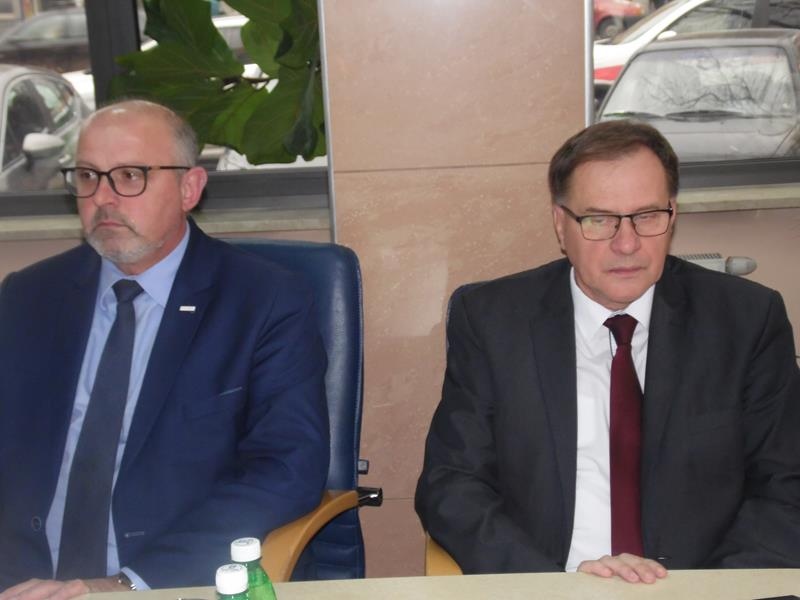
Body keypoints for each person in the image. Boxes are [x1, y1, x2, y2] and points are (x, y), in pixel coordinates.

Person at [416, 120, 800, 583]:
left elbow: (786, 486)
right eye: (599, 219)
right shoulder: (493, 321)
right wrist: (547, 587)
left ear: (673, 215)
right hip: (549, 584)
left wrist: (705, 593)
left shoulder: (746, 320)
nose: (627, 243)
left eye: (647, 216)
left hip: (701, 587)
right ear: (561, 225)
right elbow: (452, 484)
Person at [0, 100, 330, 596]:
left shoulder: (263, 301)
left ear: (189, 188)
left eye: (129, 176)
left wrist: (126, 584)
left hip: (164, 580)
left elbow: (287, 468)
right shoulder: (29, 296)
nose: (103, 198)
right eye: (87, 176)